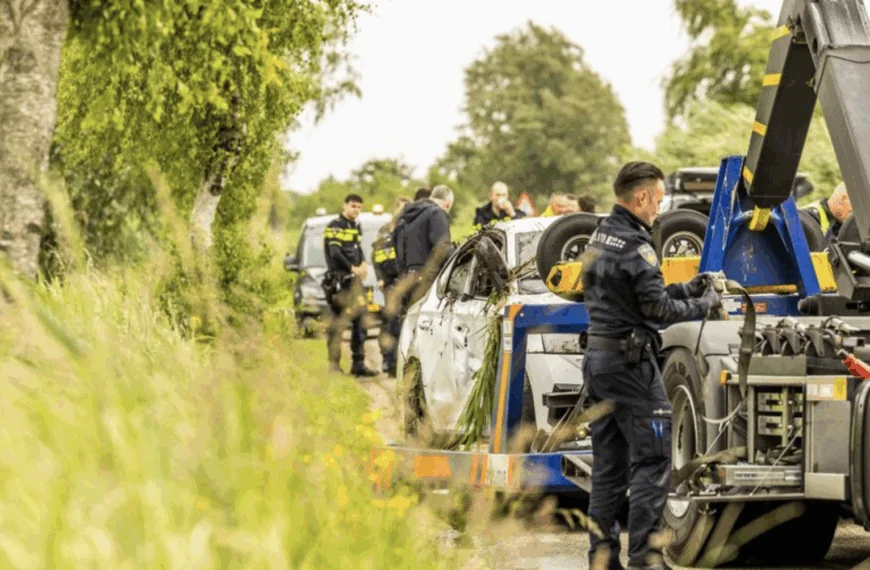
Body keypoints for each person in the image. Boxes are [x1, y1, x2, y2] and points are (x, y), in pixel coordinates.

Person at [579, 161, 722, 570]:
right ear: (641, 197)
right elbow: (657, 311)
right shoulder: (638, 246)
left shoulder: (601, 235)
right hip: (632, 367)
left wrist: (685, 287)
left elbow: (632, 296)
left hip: (600, 363)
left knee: (608, 468)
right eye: (657, 200)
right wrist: (704, 304)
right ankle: (646, 560)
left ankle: (602, 560)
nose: (659, 208)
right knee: (653, 462)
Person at [323, 194, 378, 378]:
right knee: (338, 324)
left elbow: (358, 248)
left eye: (359, 207)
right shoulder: (335, 226)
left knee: (361, 320)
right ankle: (333, 366)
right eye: (353, 206)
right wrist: (352, 267)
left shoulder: (355, 226)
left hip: (355, 283)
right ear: (345, 205)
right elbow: (335, 252)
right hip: (340, 281)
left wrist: (362, 263)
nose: (356, 209)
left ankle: (358, 364)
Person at [393, 184, 454, 307]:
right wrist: (459, 258)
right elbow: (442, 249)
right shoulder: (436, 213)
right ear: (447, 204)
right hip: (427, 282)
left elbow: (398, 250)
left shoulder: (404, 217)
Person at [372, 195, 411, 377]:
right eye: (401, 208)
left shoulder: (411, 229)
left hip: (407, 283)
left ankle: (401, 363)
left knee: (404, 323)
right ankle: (388, 362)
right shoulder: (384, 231)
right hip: (389, 283)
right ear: (395, 209)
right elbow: (376, 257)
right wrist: (380, 277)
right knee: (390, 323)